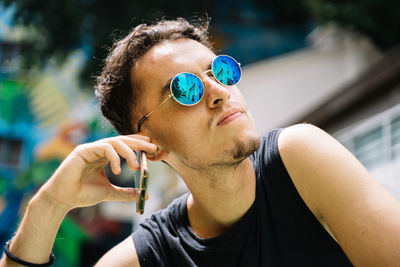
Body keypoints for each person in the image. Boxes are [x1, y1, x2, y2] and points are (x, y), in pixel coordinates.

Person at [1, 18, 400, 267]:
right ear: (150, 144)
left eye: (221, 71)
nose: (219, 92)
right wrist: (48, 206)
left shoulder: (300, 157)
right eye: (186, 89)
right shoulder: (152, 254)